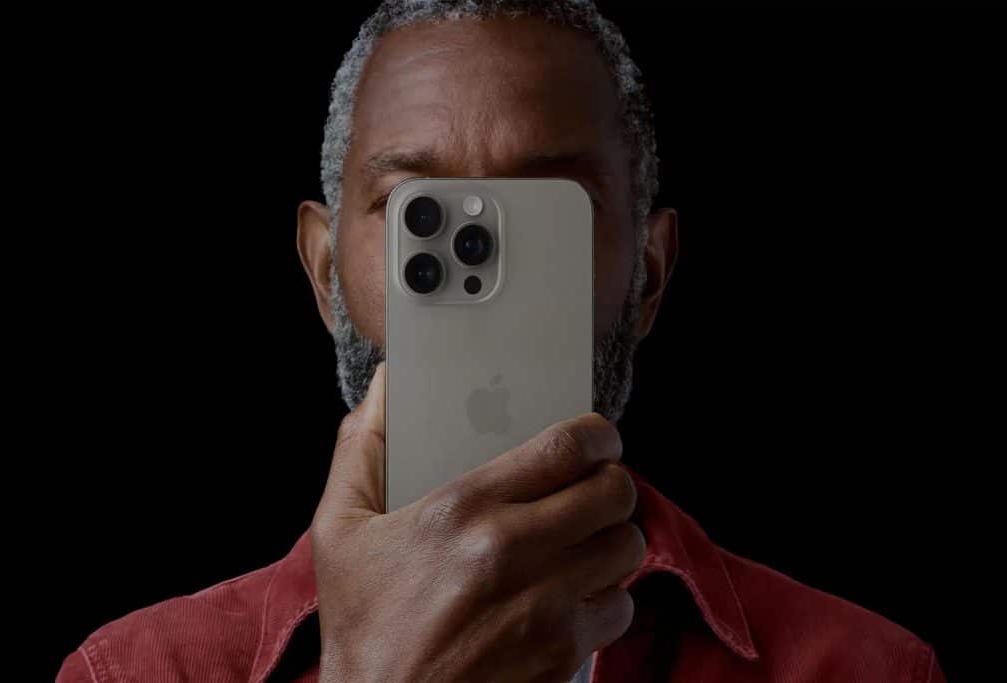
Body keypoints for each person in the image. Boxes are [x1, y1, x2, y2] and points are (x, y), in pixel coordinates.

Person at [57, 2, 945, 681]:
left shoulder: (862, 667)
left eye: (546, 215)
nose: (484, 292)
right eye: (421, 219)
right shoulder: (134, 670)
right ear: (325, 273)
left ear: (650, 277)